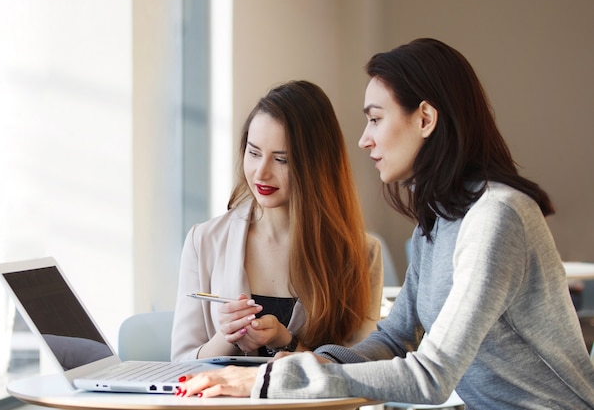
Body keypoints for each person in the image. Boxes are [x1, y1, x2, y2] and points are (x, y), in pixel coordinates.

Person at [174, 39, 594, 408]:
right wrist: (306, 361)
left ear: (425, 119)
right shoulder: (438, 222)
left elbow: (431, 377)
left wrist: (269, 380)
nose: (364, 139)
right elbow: (394, 341)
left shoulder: (495, 217)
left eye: (375, 118)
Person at [170, 80, 384, 362]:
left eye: (281, 160)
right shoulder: (204, 241)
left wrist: (287, 342)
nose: (261, 173)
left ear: (316, 165)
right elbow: (181, 364)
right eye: (254, 152)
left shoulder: (360, 253)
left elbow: (363, 368)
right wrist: (227, 337)